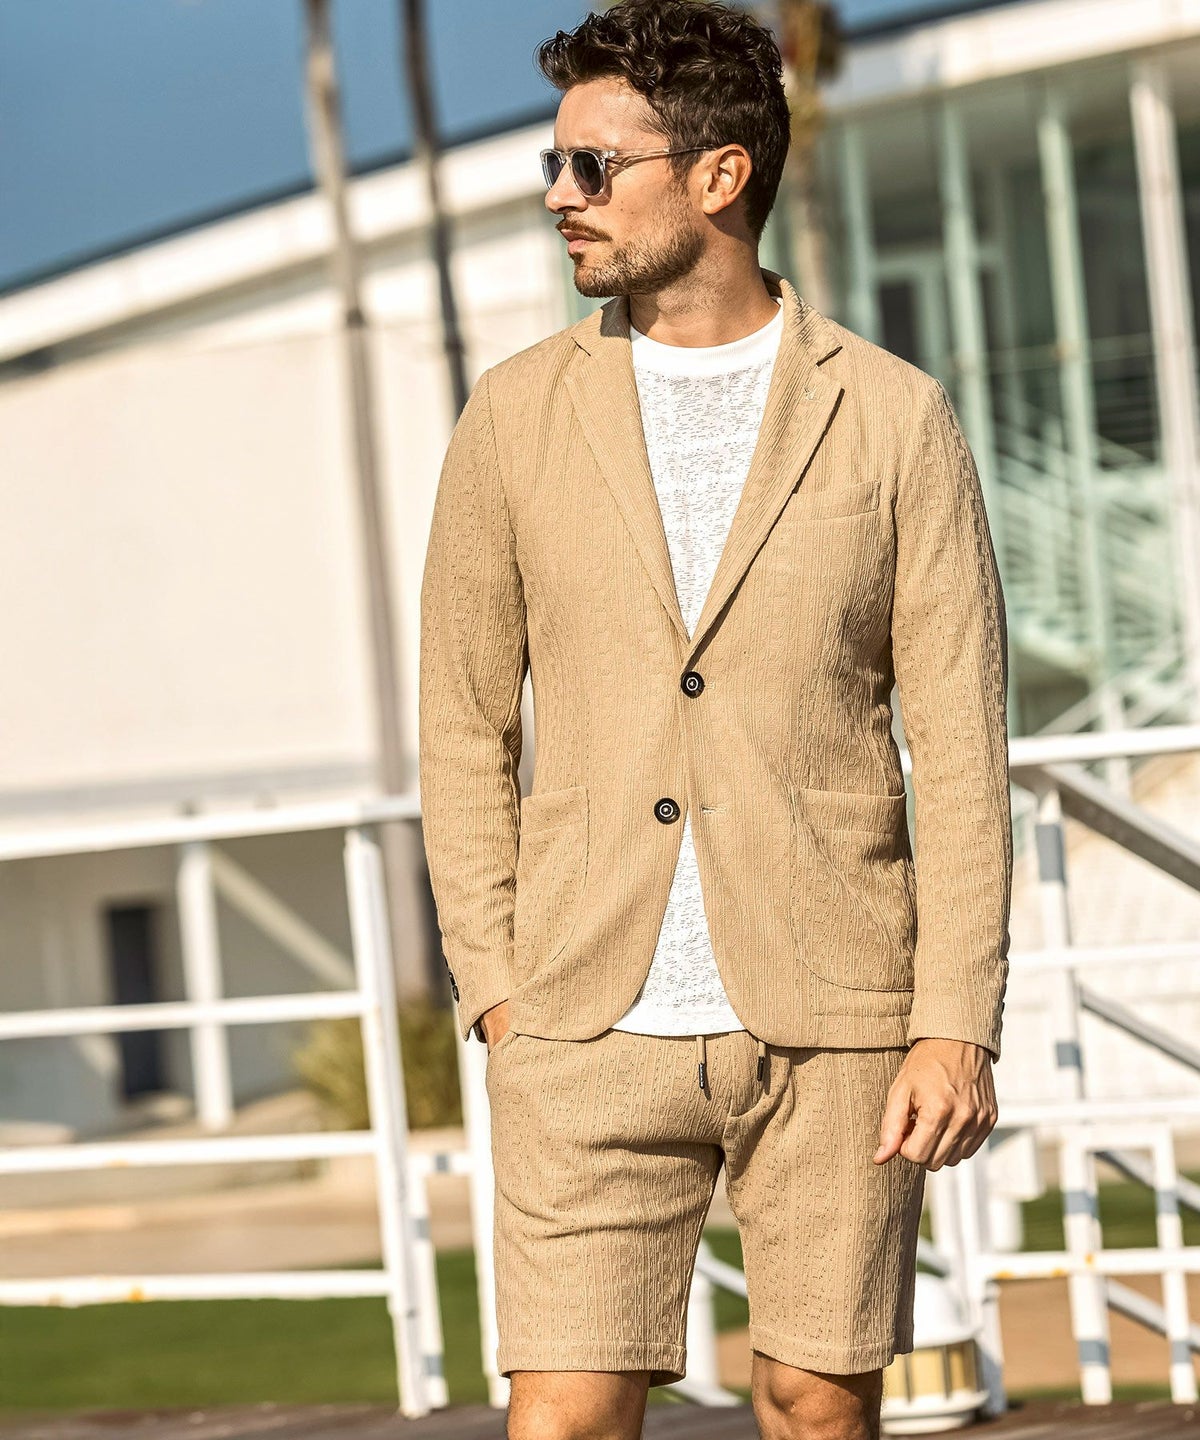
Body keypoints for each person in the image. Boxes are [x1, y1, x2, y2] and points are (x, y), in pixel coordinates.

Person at [418, 3, 1012, 1436]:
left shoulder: (893, 417)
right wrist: (496, 983)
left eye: (594, 167)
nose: (560, 197)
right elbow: (462, 720)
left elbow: (961, 745)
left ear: (720, 175)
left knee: (816, 1400)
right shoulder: (512, 416)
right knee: (563, 1413)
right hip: (579, 1009)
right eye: (555, 165)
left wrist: (956, 1023)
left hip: (836, 1007)